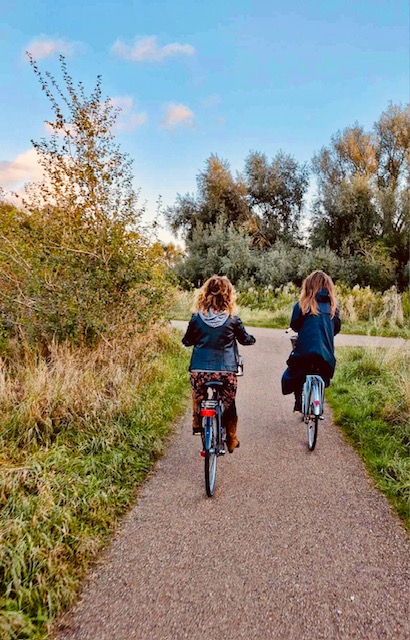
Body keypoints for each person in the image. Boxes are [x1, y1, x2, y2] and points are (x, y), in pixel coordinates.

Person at [182, 275, 256, 453]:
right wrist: (251, 339)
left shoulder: (196, 318)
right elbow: (245, 339)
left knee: (198, 395)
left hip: (199, 370)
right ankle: (231, 438)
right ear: (228, 295)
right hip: (226, 372)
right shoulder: (233, 319)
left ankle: (197, 421)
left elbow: (187, 341)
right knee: (229, 403)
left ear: (205, 293)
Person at [281, 270, 341, 412]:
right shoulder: (333, 307)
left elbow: (295, 325)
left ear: (308, 286)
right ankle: (319, 396)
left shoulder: (302, 305)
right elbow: (336, 328)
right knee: (324, 371)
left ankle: (298, 401)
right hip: (325, 355)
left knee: (295, 370)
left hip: (304, 353)